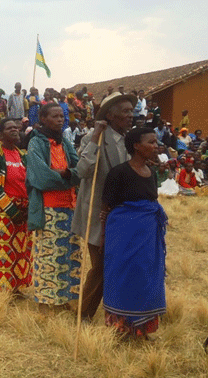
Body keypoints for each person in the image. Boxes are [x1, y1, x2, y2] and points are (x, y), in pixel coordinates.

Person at [71, 91, 137, 321]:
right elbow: (83, 171)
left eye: (132, 111)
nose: (131, 115)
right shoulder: (95, 136)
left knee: (118, 266)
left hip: (122, 214)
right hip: (96, 213)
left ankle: (117, 316)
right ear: (110, 115)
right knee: (100, 266)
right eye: (125, 111)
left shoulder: (130, 139)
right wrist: (95, 137)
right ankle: (84, 314)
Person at [101, 127, 166, 339]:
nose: (156, 146)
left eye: (156, 142)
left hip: (148, 236)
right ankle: (122, 330)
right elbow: (106, 208)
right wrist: (104, 238)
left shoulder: (152, 172)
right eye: (151, 142)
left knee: (146, 276)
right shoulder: (119, 172)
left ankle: (141, 330)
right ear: (136, 146)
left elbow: (152, 202)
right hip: (122, 235)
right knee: (123, 276)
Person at [26, 103, 81, 311]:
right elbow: (41, 177)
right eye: (55, 116)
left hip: (70, 205)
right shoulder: (36, 143)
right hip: (49, 209)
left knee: (68, 255)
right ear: (43, 119)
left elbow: (78, 169)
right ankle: (45, 303)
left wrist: (66, 173)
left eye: (62, 116)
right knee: (49, 256)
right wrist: (69, 176)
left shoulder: (65, 143)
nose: (60, 119)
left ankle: (64, 299)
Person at [0, 118, 32, 293]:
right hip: (4, 210)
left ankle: (17, 289)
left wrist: (27, 208)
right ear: (1, 133)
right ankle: (2, 292)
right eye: (10, 128)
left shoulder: (23, 155)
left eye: (17, 128)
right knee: (4, 250)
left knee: (20, 251)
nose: (15, 130)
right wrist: (14, 212)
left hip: (23, 209)